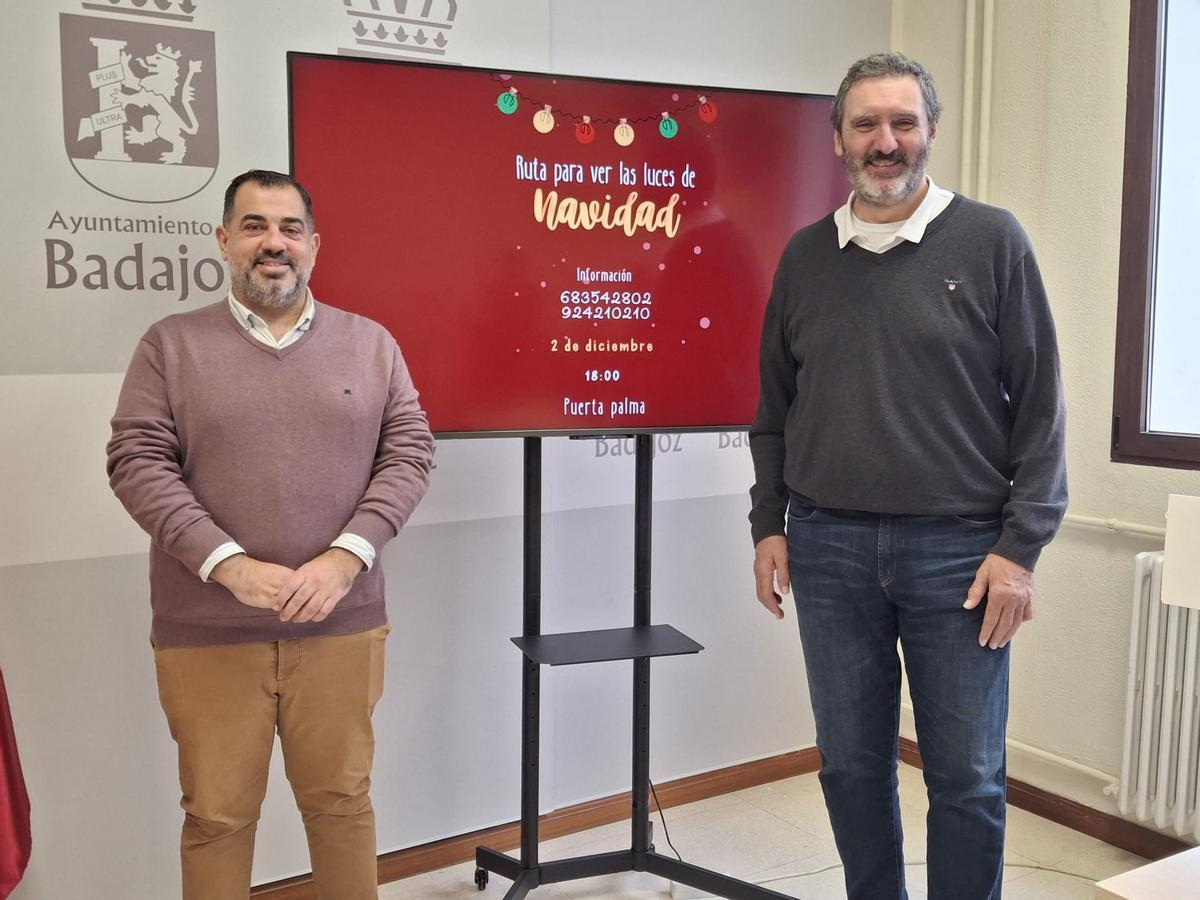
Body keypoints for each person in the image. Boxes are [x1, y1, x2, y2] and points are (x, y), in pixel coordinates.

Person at [749, 53, 1067, 900]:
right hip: (828, 547)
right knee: (851, 767)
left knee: (966, 779)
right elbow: (775, 410)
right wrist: (768, 524)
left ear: (930, 130)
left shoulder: (993, 241)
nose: (884, 142)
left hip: (961, 559)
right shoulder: (805, 257)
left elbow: (1041, 406)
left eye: (902, 123)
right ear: (840, 139)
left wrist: (1021, 547)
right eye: (866, 125)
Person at [106, 169, 434, 900]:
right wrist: (227, 564)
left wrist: (346, 560)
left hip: (340, 624)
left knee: (342, 804)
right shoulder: (170, 345)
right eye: (254, 226)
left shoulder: (372, 344)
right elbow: (136, 459)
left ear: (314, 246)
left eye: (289, 228)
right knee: (217, 818)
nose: (273, 243)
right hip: (208, 632)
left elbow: (408, 452)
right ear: (224, 241)